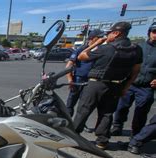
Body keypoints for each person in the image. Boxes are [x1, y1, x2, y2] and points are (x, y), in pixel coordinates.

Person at [73, 22, 143, 150]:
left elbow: (81, 56)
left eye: (109, 33)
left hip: (96, 83)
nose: (107, 35)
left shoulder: (107, 48)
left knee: (84, 110)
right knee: (107, 113)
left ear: (116, 33)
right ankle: (102, 141)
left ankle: (73, 136)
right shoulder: (136, 49)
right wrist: (126, 87)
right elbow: (136, 70)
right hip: (116, 85)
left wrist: (97, 43)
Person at [111, 22, 156, 137]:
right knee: (121, 107)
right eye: (154, 32)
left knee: (141, 111)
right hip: (131, 83)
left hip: (147, 87)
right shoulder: (138, 46)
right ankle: (117, 126)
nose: (155, 35)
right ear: (149, 33)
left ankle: (136, 133)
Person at [65, 29, 105, 118]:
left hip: (92, 81)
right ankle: (67, 119)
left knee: (85, 104)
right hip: (78, 79)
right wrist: (70, 80)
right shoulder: (81, 49)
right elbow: (69, 65)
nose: (103, 39)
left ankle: (80, 122)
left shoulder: (102, 50)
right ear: (94, 38)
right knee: (71, 101)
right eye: (100, 37)